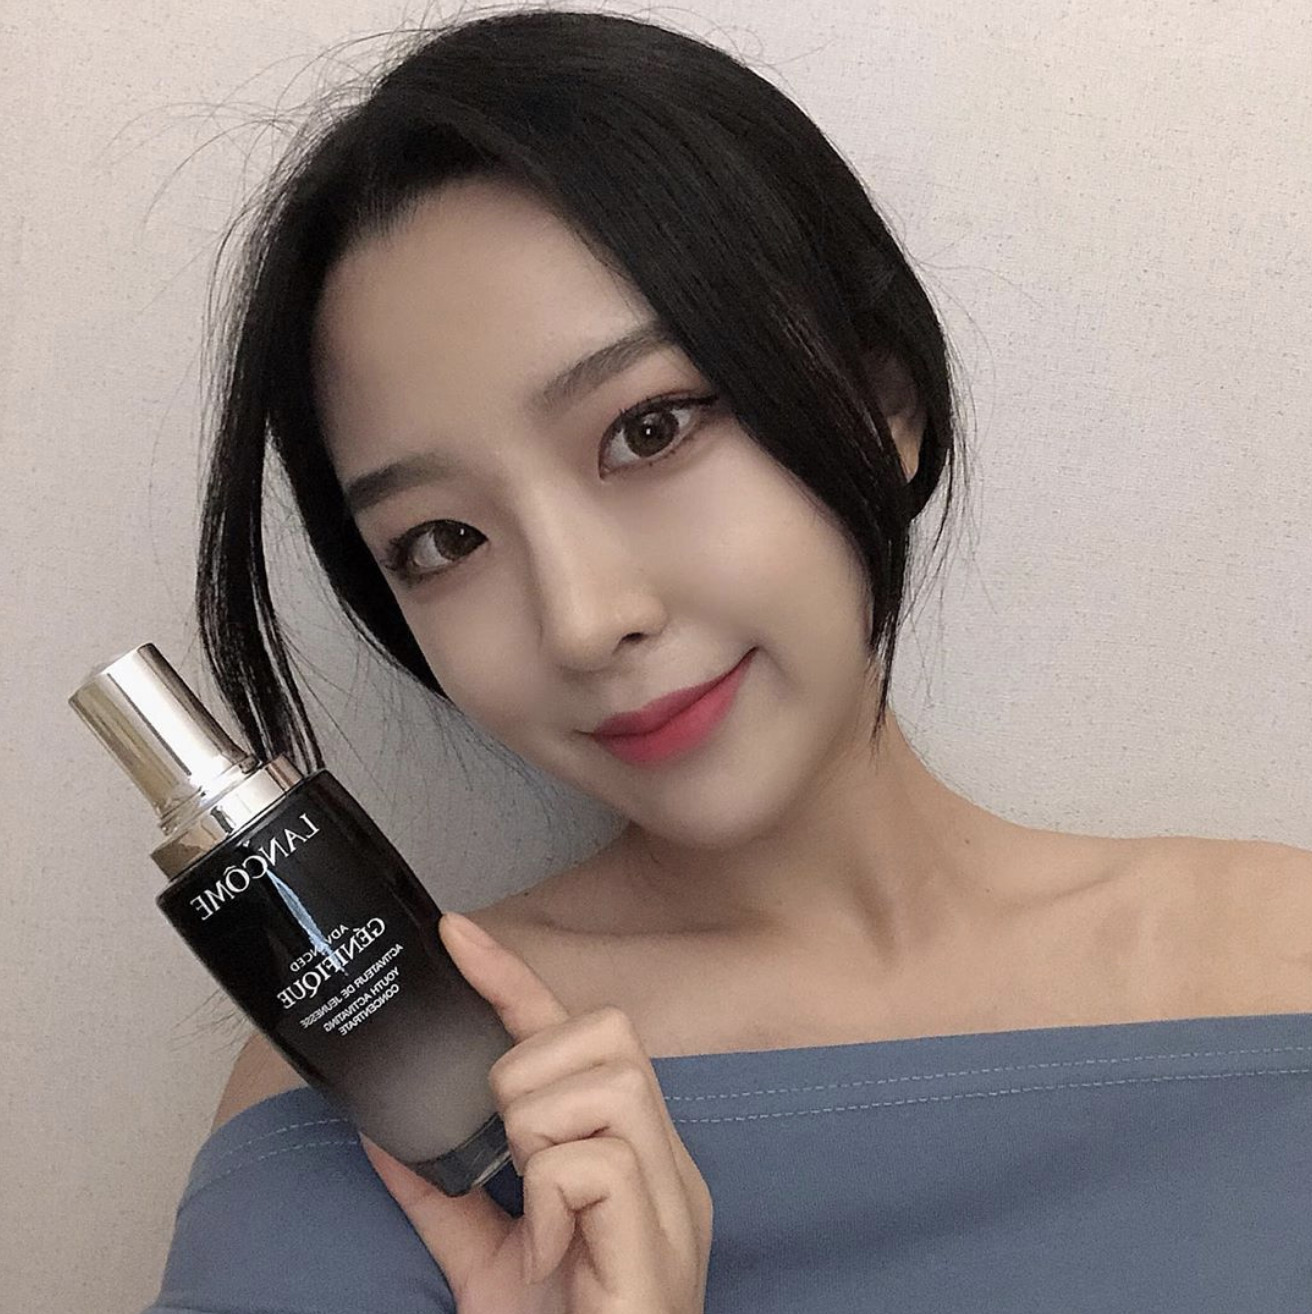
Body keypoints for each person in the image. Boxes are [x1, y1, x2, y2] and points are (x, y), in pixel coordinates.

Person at [145, 8, 1312, 1313]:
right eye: (444, 539)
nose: (583, 618)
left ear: (881, 401)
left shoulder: (1282, 964)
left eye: (649, 429)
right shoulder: (392, 1101)